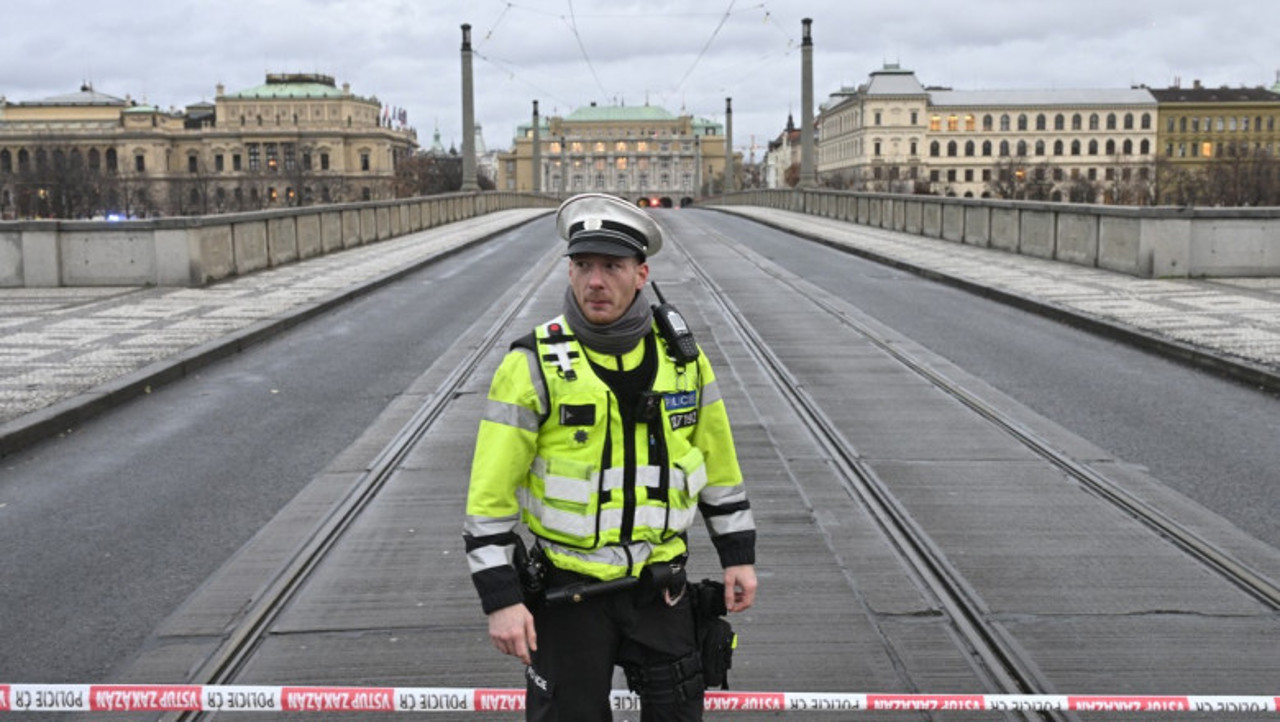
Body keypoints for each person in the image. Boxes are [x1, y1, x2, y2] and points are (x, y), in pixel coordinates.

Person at [463, 192, 757, 721]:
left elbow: (718, 463)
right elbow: (489, 498)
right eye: (582, 266)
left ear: (641, 273)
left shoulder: (682, 361)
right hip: (568, 595)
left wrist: (737, 553)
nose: (595, 281)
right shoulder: (532, 364)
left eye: (612, 267)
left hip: (660, 587)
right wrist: (501, 599)